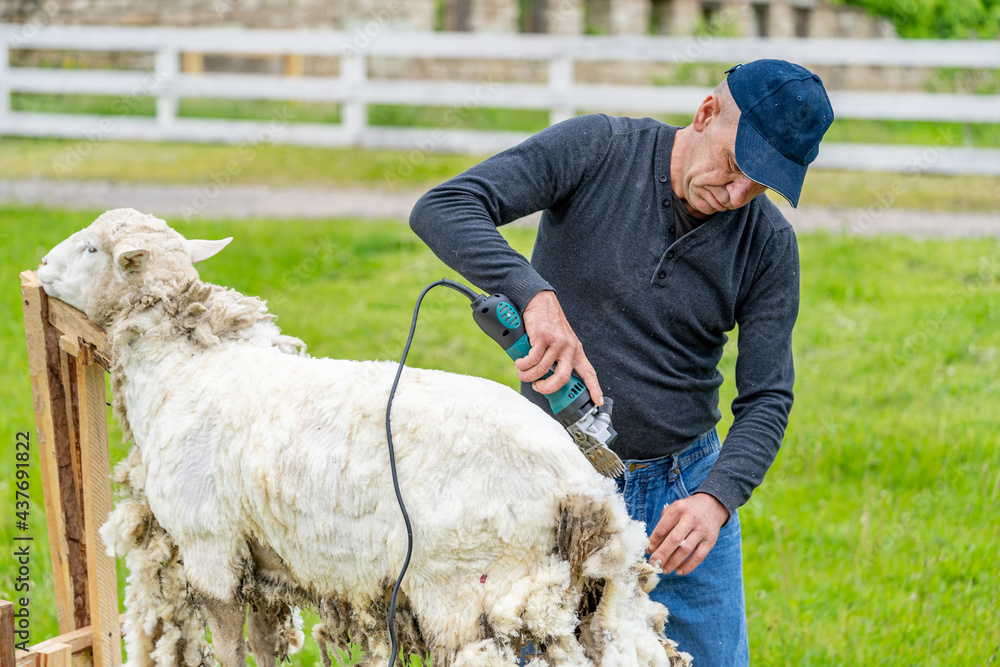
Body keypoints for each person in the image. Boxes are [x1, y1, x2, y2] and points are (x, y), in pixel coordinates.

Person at [409, 59, 834, 666]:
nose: (738, 195)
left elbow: (767, 397)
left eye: (761, 185)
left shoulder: (767, 243)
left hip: (683, 496)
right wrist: (534, 295)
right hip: (553, 482)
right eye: (737, 167)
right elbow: (445, 206)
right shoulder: (598, 148)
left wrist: (717, 499)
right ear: (706, 114)